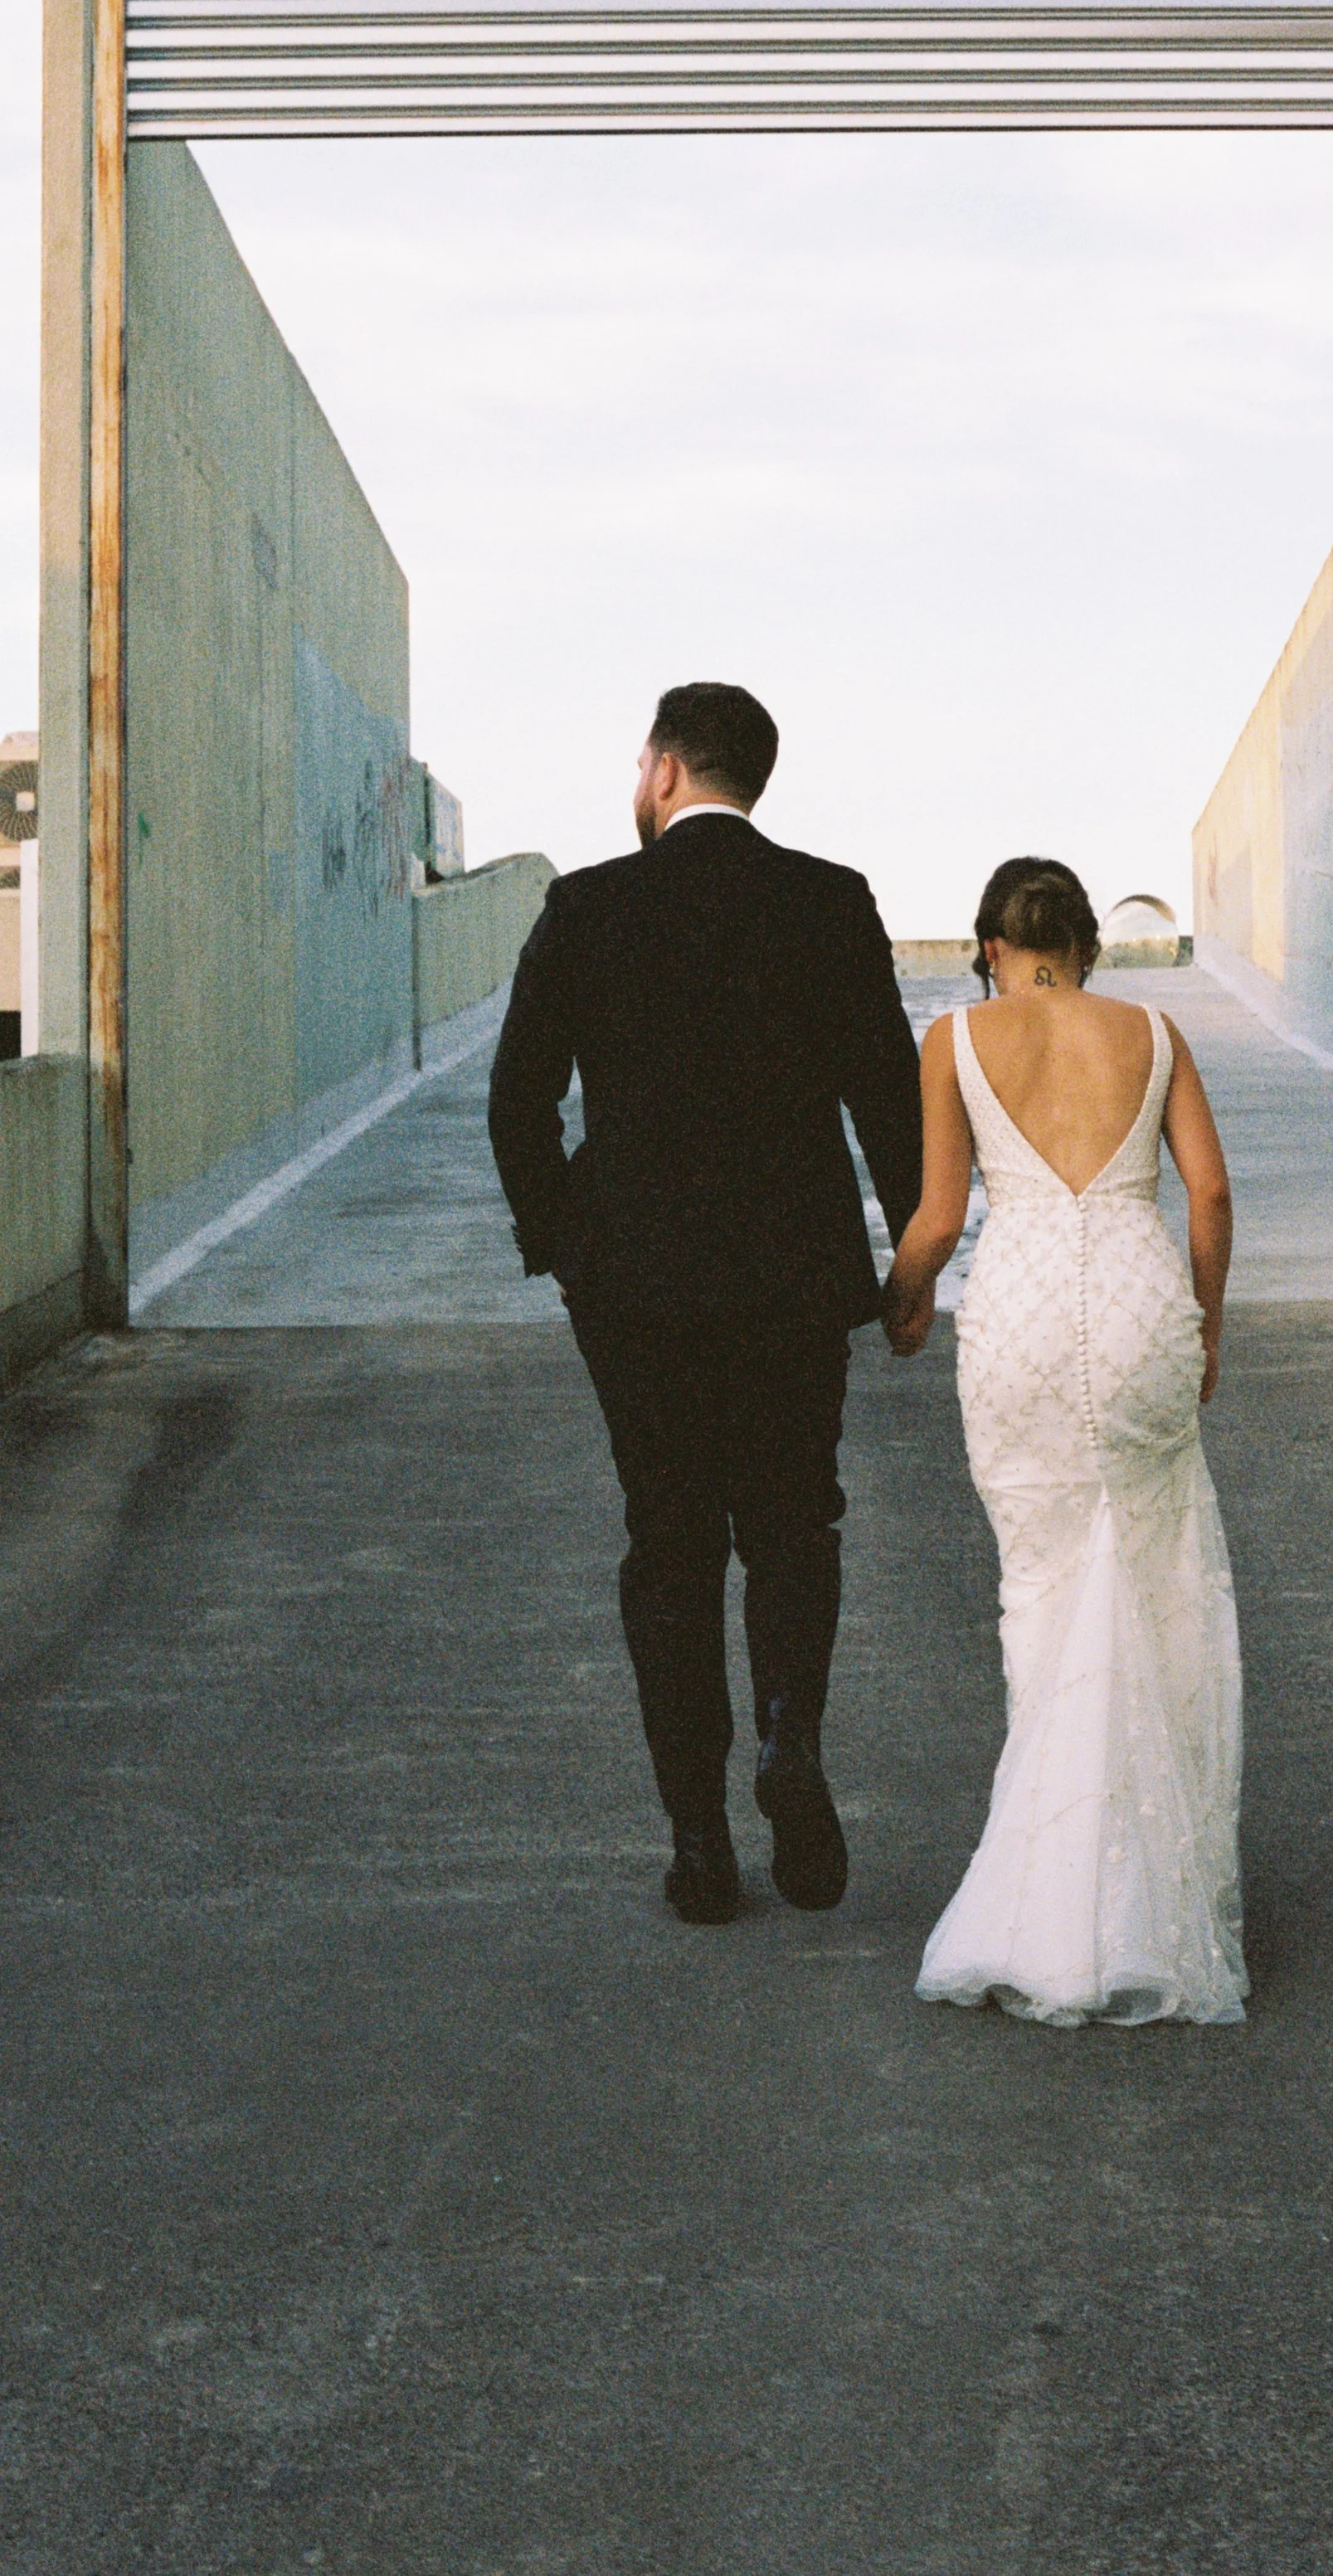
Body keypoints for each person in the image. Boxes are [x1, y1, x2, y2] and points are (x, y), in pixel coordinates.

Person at [487, 683, 922, 1928]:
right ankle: (790, 1737)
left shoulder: (586, 905)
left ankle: (698, 1841)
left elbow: (520, 1102)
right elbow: (886, 1093)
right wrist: (912, 1260)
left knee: (668, 1543)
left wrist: (563, 1240)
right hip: (792, 1276)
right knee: (796, 1520)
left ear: (667, 769)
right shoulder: (829, 900)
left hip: (636, 1289)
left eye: (641, 762)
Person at [881, 857, 1248, 2027]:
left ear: (991, 946)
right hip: (1142, 1302)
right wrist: (1206, 1321)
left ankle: (1048, 1894)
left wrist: (904, 1295)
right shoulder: (1155, 1029)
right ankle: (1158, 1882)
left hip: (1024, 1314)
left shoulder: (955, 1039)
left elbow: (940, 1218)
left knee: (1039, 1588)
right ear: (1084, 946)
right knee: (1159, 1581)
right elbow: (1214, 1194)